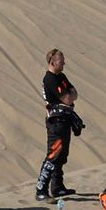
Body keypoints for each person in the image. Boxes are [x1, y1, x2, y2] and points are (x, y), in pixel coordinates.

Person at [35, 48, 81, 201]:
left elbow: (74, 93)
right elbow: (68, 98)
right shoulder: (50, 79)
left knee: (62, 156)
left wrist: (70, 94)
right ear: (52, 62)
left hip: (64, 121)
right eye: (61, 61)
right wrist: (70, 95)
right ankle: (41, 190)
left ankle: (57, 187)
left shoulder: (61, 76)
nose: (64, 63)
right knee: (53, 155)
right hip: (55, 123)